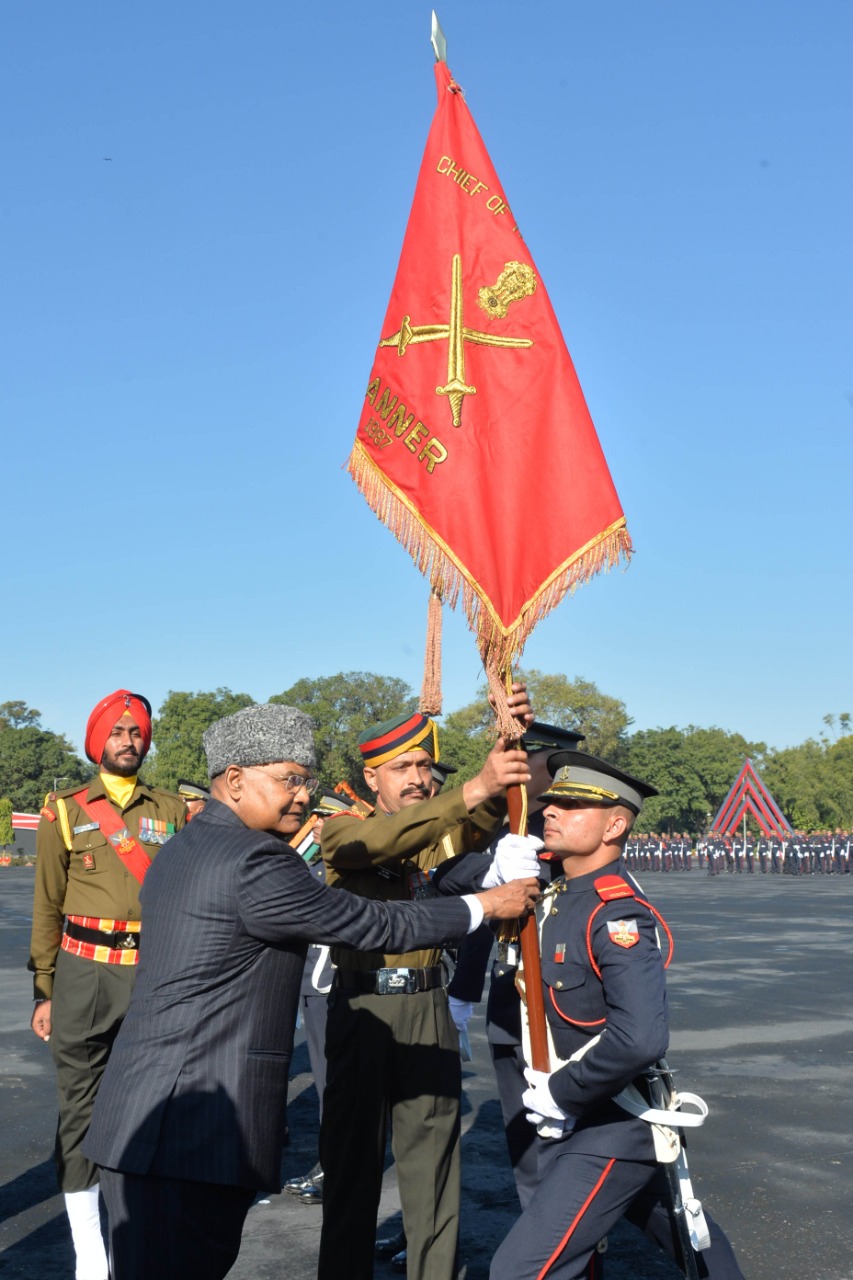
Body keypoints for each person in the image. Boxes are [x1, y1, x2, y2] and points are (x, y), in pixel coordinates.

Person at [81, 702, 538, 1280]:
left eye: (307, 780)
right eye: (289, 779)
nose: (301, 794)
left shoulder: (190, 844)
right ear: (237, 779)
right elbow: (372, 923)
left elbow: (474, 823)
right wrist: (486, 904)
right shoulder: (257, 858)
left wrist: (508, 744)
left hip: (160, 1113)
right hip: (188, 1124)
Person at [483, 750, 744, 1280]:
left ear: (615, 825)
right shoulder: (553, 895)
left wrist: (563, 1092)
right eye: (552, 801)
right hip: (584, 1118)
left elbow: (641, 1037)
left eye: (572, 805)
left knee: (518, 1270)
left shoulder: (615, 910)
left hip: (612, 1121)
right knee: (691, 1242)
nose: (551, 811)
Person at [318, 692, 550, 1280]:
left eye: (425, 766)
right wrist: (475, 786)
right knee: (353, 1172)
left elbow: (477, 822)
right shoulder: (340, 828)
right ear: (371, 777)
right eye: (403, 768)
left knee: (435, 1175)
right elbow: (385, 842)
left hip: (427, 1003)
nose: (420, 779)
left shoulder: (434, 828)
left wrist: (508, 748)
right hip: (363, 1004)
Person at [28, 689, 186, 1280]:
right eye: (117, 731)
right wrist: (44, 990)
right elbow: (46, 907)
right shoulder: (64, 811)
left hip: (152, 976)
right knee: (79, 1112)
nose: (129, 739)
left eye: (137, 731)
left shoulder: (173, 810)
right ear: (99, 741)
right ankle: (91, 1254)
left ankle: (132, 1235)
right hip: (82, 977)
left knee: (149, 1107)